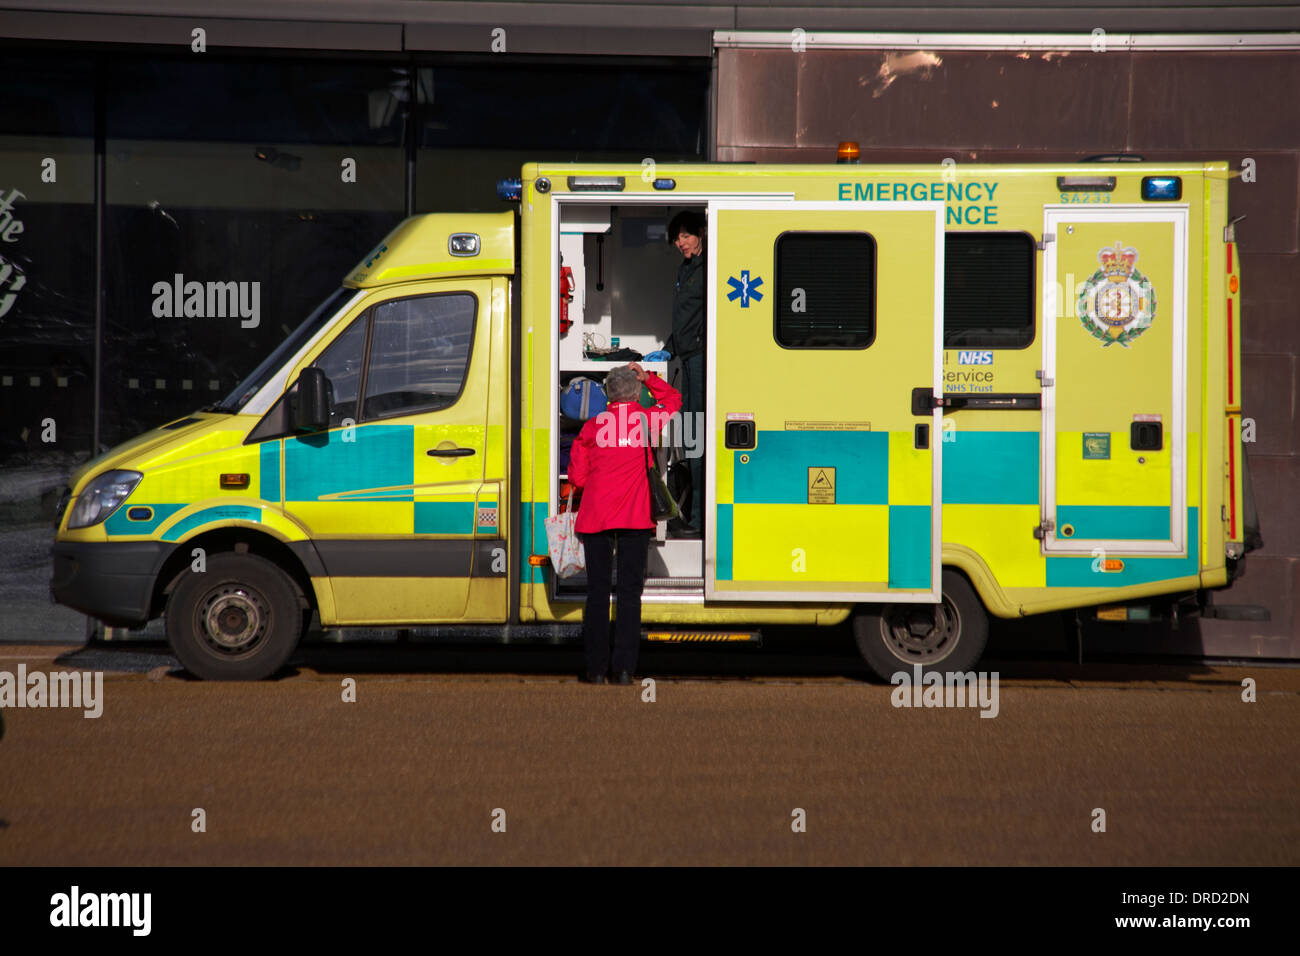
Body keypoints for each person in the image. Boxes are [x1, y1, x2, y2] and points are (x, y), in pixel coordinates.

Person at [567, 363, 681, 685]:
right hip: (634, 517)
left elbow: (576, 476)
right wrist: (650, 378)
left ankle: (595, 670)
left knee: (598, 594)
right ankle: (625, 669)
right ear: (635, 393)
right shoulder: (646, 420)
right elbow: (674, 400)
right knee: (630, 594)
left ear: (607, 394)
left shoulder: (592, 427)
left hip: (596, 518)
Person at [665, 210, 706, 537]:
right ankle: (690, 513)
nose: (681, 243)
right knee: (691, 434)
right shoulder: (686, 269)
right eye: (677, 238)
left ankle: (698, 519)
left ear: (701, 234)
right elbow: (684, 318)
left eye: (686, 236)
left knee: (697, 434)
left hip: (700, 360)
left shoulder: (709, 268)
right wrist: (669, 346)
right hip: (686, 356)